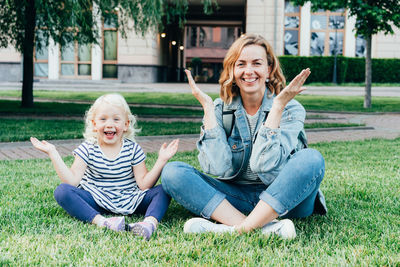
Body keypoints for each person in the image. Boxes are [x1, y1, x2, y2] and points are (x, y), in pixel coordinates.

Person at [161, 34, 327, 239]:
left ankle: (238, 229)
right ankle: (263, 228)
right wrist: (208, 109)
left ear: (269, 69)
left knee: (312, 158)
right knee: (172, 172)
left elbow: (265, 166)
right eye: (241, 64)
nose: (249, 71)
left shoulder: (290, 108)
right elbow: (217, 168)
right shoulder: (221, 108)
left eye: (257, 63)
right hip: (235, 197)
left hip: (286, 199)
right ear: (232, 70)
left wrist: (276, 109)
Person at [31, 93, 179, 240]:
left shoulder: (133, 149)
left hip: (131, 199)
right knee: (62, 191)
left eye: (116, 119)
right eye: (103, 119)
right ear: (94, 124)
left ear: (126, 124)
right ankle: (103, 222)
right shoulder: (88, 148)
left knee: (164, 189)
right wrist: (53, 153)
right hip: (96, 200)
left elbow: (144, 185)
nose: (109, 124)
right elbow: (72, 182)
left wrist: (161, 160)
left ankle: (148, 224)